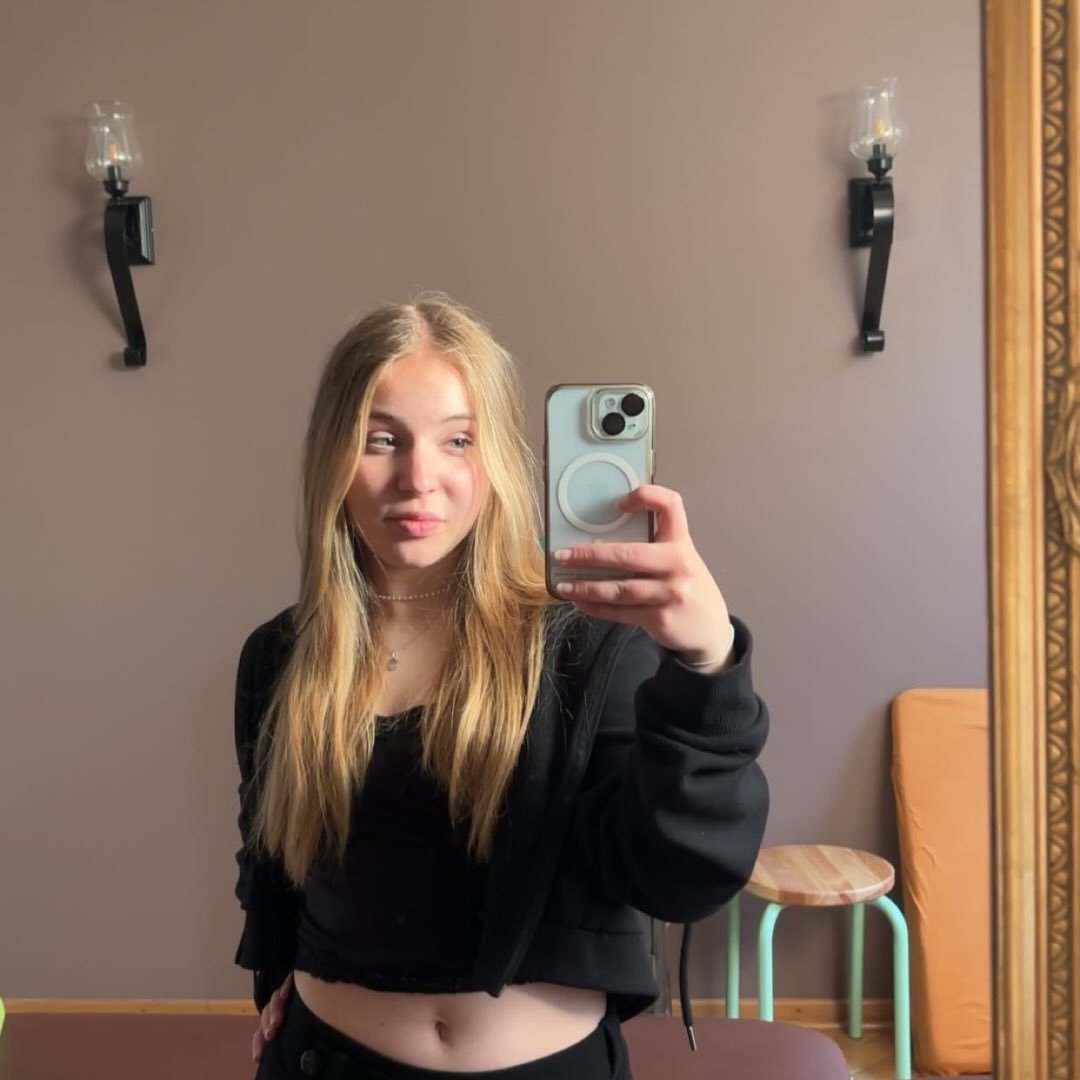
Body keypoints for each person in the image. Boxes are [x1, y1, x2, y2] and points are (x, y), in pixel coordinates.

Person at [233, 295, 769, 1080]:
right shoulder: (279, 657)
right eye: (382, 439)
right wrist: (275, 982)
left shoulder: (588, 648)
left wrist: (707, 666)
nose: (419, 478)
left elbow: (677, 876)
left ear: (496, 463)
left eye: (458, 441)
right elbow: (272, 862)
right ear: (333, 458)